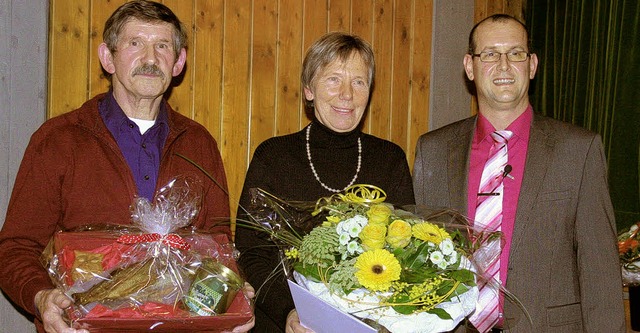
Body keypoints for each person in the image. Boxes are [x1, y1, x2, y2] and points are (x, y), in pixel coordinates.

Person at [0, 1, 254, 332]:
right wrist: (42, 298)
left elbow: (218, 245)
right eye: (135, 44)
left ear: (178, 62)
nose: (150, 58)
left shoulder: (199, 143)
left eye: (162, 46)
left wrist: (231, 297)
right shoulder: (58, 140)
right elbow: (15, 249)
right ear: (108, 58)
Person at [412, 14, 625, 332]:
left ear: (532, 64)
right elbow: (417, 263)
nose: (503, 65)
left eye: (516, 53)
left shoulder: (578, 150)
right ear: (470, 67)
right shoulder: (434, 151)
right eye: (490, 54)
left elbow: (600, 272)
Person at [235, 32, 415, 333]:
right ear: (309, 89)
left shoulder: (390, 159)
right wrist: (290, 311)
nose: (347, 94)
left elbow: (407, 252)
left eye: (358, 82)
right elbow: (253, 253)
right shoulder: (274, 156)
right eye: (333, 79)